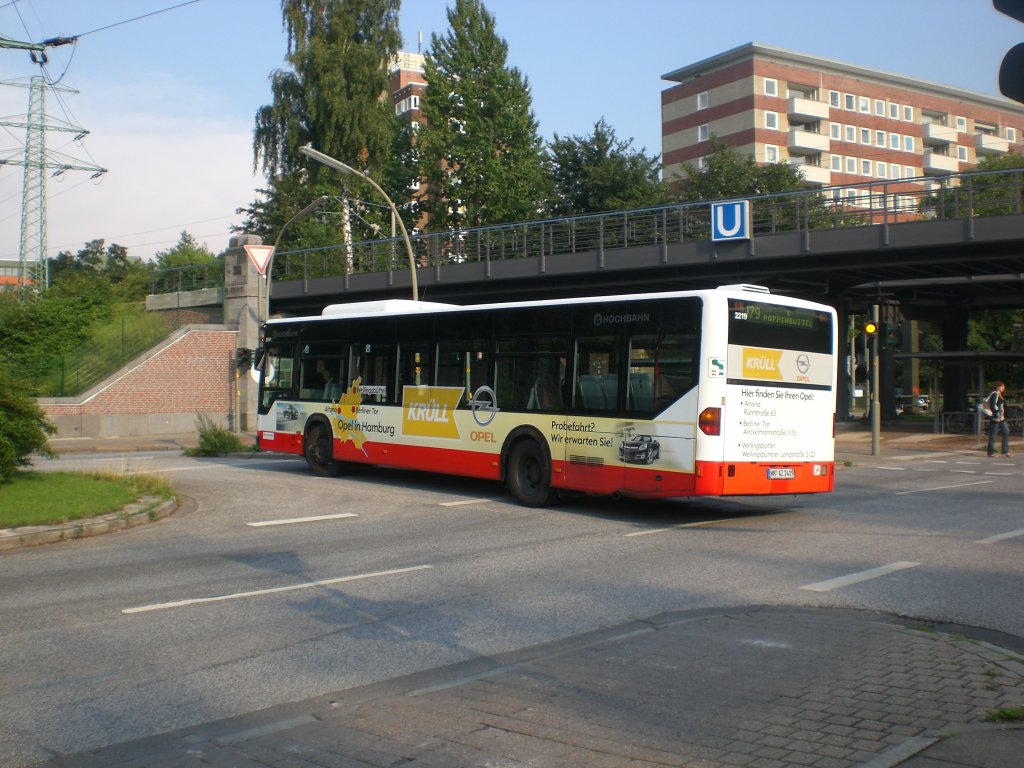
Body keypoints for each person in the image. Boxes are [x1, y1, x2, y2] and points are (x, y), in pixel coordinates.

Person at [985, 381, 1010, 458]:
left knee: (1006, 432)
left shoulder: (1000, 394)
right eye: (1002, 386)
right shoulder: (995, 394)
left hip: (1001, 418)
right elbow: (993, 406)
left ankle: (1005, 451)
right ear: (998, 387)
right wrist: (996, 414)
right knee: (993, 435)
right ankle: (991, 452)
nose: (1003, 388)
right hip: (996, 418)